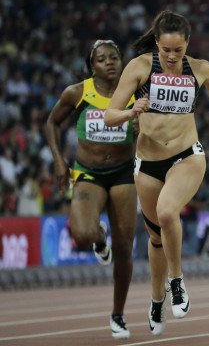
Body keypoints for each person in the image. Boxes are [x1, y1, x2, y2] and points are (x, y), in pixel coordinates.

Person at [104, 10, 209, 336]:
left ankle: (176, 281)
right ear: (157, 43)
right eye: (166, 50)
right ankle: (156, 300)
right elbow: (109, 115)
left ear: (187, 45)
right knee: (155, 237)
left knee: (167, 213)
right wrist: (130, 111)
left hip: (186, 156)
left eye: (178, 50)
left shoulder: (200, 68)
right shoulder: (139, 67)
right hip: (147, 163)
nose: (171, 56)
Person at [44, 39, 137, 339]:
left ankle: (118, 315)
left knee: (124, 249)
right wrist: (59, 161)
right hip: (87, 173)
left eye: (114, 57)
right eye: (102, 59)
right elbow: (51, 123)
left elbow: (156, 132)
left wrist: (142, 128)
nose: (109, 62)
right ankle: (100, 237)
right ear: (92, 66)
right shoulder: (77, 93)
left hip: (123, 173)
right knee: (82, 236)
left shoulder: (136, 93)